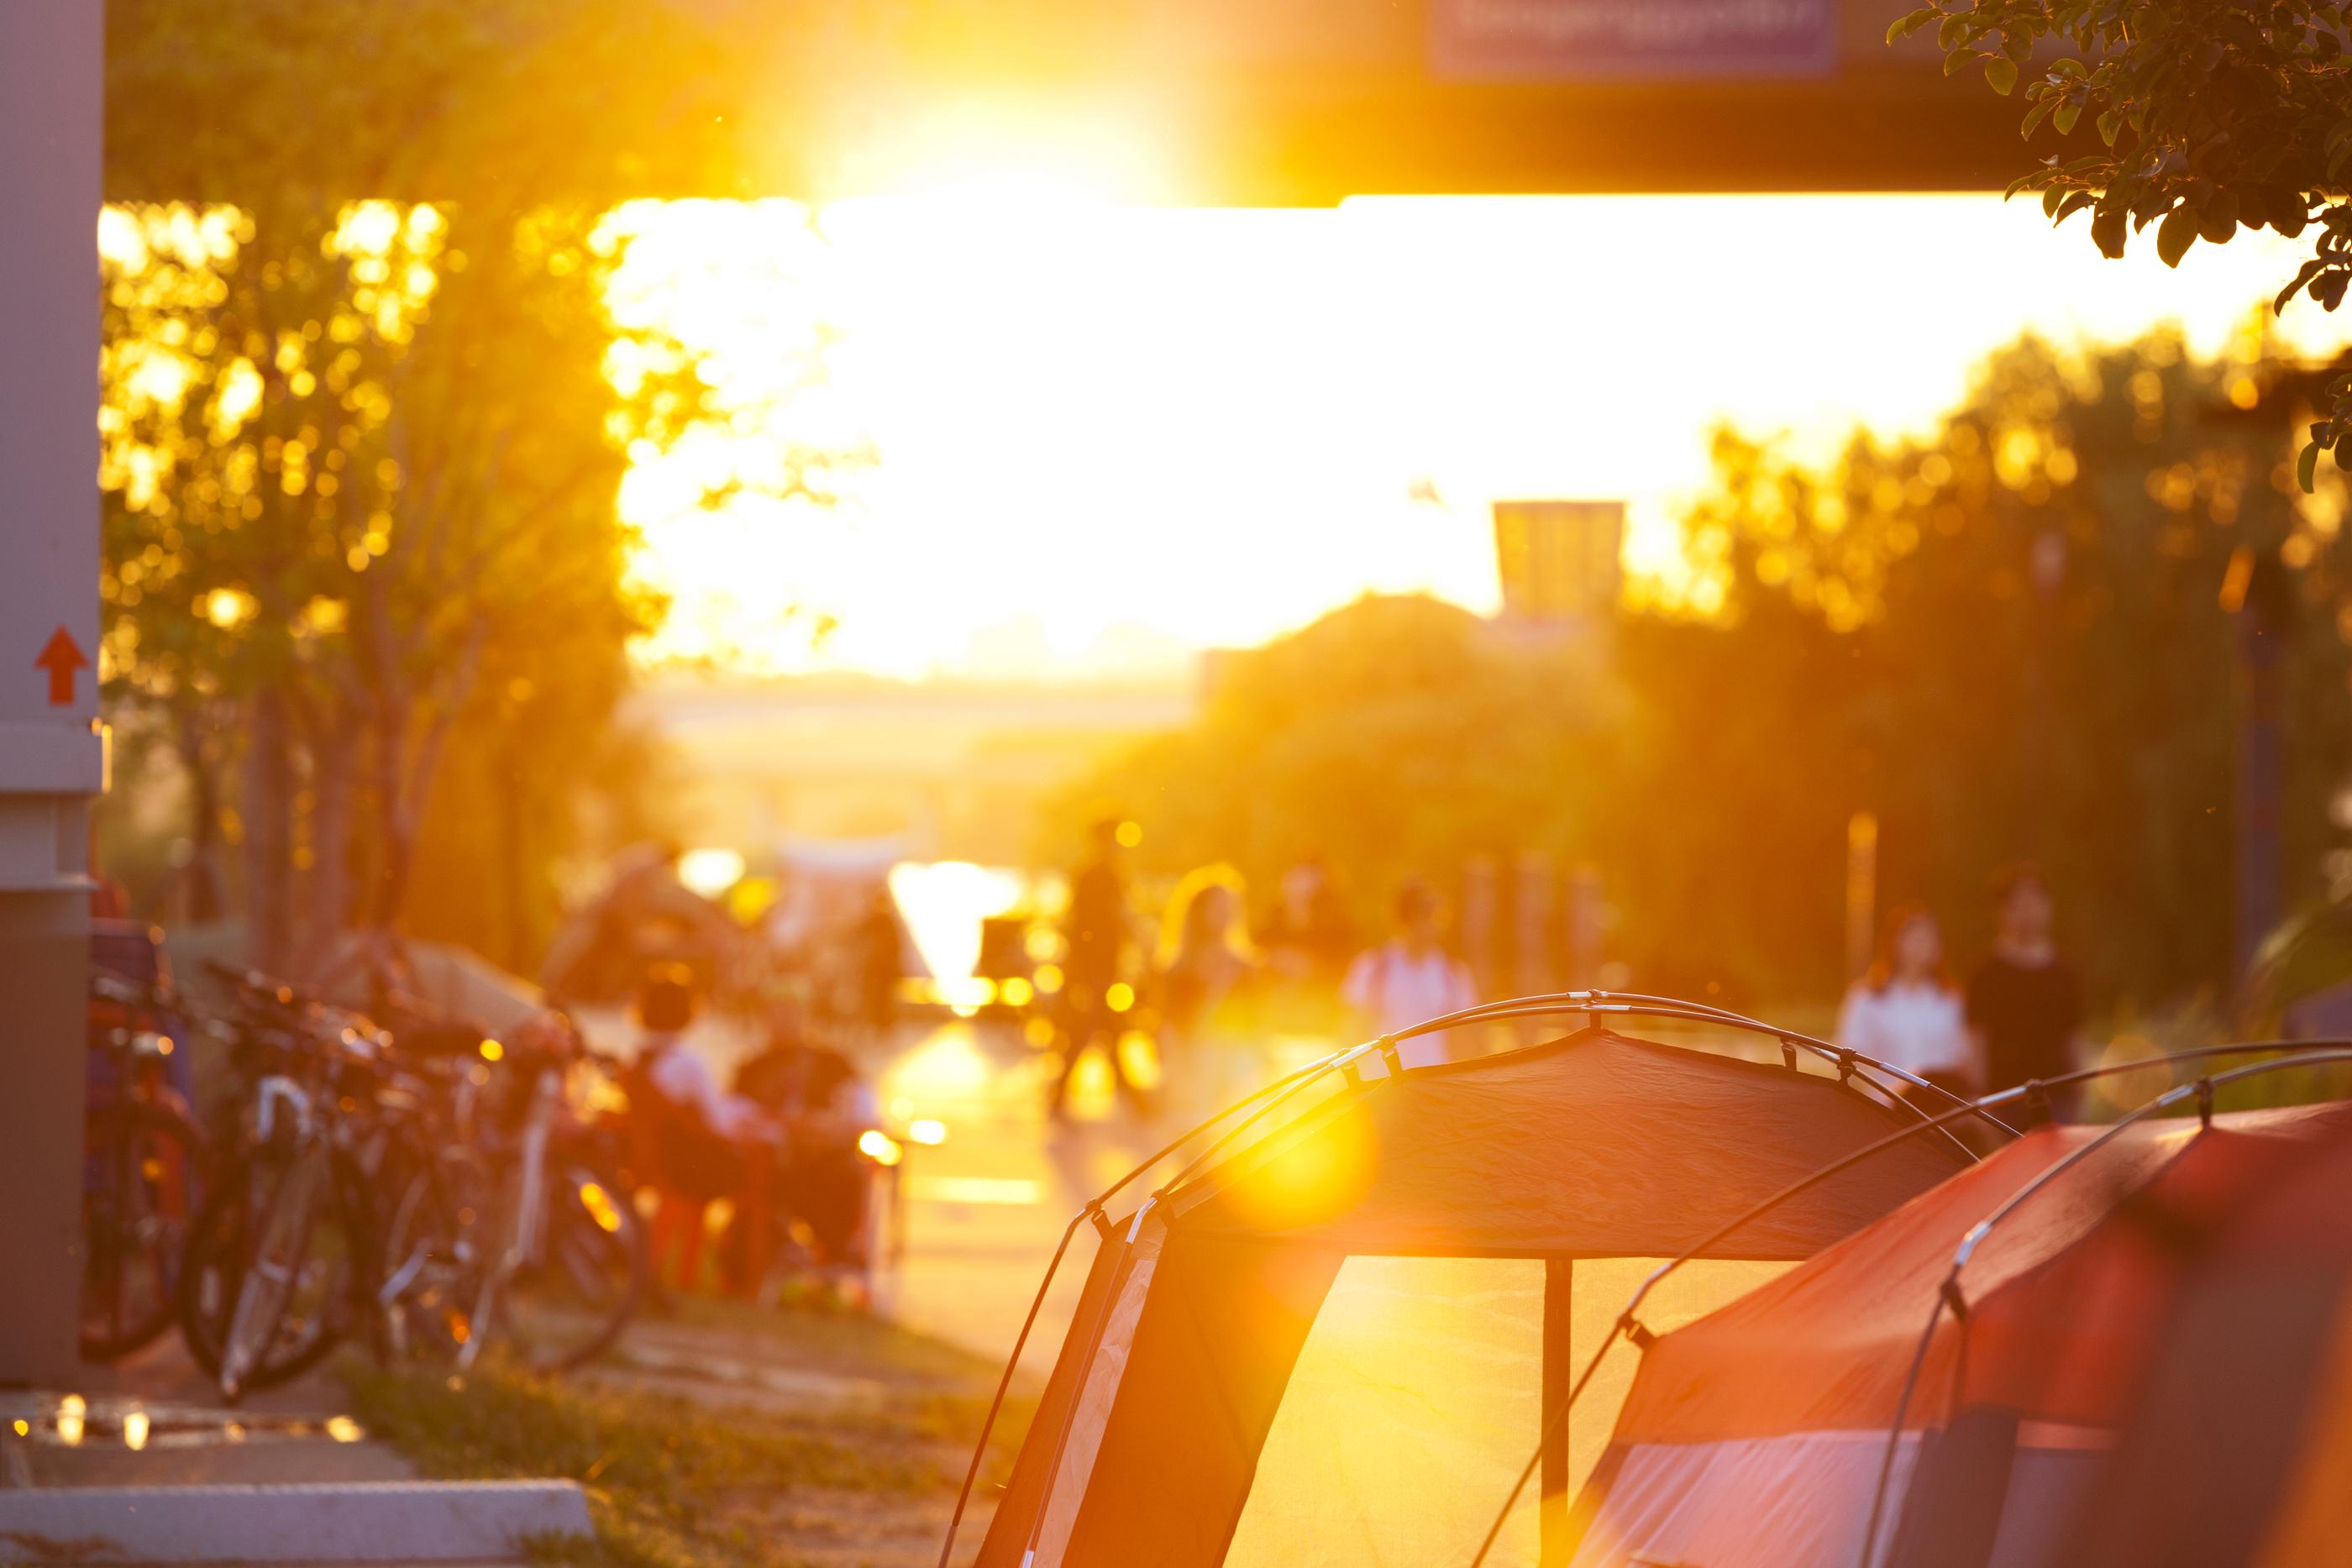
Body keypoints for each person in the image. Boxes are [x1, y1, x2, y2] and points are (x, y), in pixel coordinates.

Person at [630, 964, 778, 1290]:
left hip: (660, 1157)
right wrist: (750, 1121)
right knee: (762, 1172)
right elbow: (717, 1122)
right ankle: (741, 1278)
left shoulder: (641, 1061)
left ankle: (687, 1271)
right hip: (687, 1167)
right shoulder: (688, 1063)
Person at [732, 987, 879, 1296]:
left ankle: (835, 1256)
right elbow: (735, 1116)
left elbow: (863, 1113)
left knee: (845, 1176)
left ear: (805, 1019)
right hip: (773, 1162)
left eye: (791, 1015)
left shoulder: (833, 1063)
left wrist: (820, 1127)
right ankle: (782, 1259)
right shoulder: (752, 1067)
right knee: (770, 1185)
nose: (784, 1023)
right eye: (776, 1016)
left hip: (826, 1158)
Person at [1049, 818, 1149, 1120]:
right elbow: (1093, 924)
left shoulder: (1097, 873)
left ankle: (1121, 1093)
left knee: (1099, 1029)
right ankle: (1127, 1095)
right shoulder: (1100, 875)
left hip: (1097, 967)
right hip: (1094, 968)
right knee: (1093, 1029)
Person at [1966, 864, 2083, 1118]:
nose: (2028, 912)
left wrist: (2079, 1095)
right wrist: (1979, 1102)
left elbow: (2074, 1038)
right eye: (2020, 904)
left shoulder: (2064, 972)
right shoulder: (1986, 973)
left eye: (2035, 902)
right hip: (2004, 1102)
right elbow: (1977, 1043)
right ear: (2002, 911)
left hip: (2057, 1100)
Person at [1835, 903, 1977, 1099]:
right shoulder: (1867, 997)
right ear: (1895, 941)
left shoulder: (1950, 999)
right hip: (1884, 1109)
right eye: (1915, 937)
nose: (1922, 945)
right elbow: (1848, 1061)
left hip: (1939, 1115)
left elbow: (1962, 1060)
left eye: (1930, 938)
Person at [1154, 867, 1260, 1115]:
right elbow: (1168, 1025)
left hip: (1232, 1075)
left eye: (1229, 906)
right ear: (1199, 912)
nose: (1224, 914)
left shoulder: (1244, 967)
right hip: (1191, 1073)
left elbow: (1254, 1026)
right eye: (1217, 906)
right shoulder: (1179, 969)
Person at [1342, 881, 1478, 1046]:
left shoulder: (1453, 972)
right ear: (1402, 919)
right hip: (1383, 1072)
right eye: (1422, 915)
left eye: (1434, 915)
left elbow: (1466, 1039)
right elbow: (1352, 1033)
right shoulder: (1372, 967)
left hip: (1437, 1072)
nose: (1431, 924)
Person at [1258, 857, 1356, 1034]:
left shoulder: (1336, 930)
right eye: (1296, 877)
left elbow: (1343, 978)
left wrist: (1310, 968)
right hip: (1274, 1022)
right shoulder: (1271, 925)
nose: (1301, 885)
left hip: (1318, 1023)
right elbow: (1255, 964)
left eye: (1309, 878)